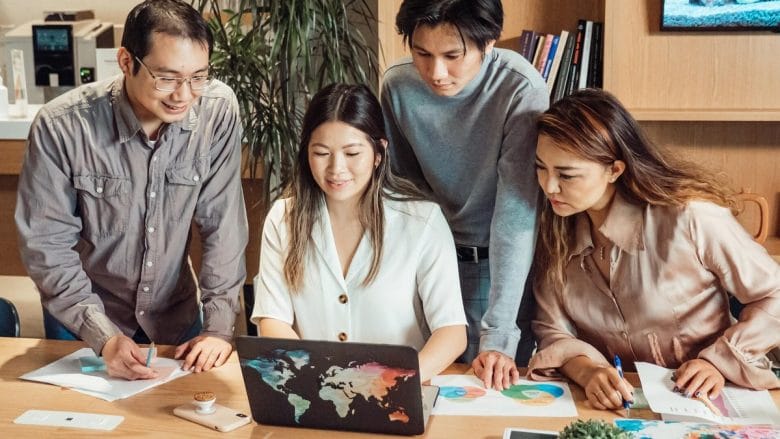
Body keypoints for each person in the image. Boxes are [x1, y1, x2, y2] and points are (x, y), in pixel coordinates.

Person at [15, 0, 248, 380]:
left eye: (198, 77)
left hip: (175, 316)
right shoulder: (62, 126)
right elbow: (47, 245)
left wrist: (219, 329)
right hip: (84, 318)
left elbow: (223, 225)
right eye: (167, 78)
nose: (184, 95)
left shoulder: (216, 111)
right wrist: (103, 336)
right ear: (126, 61)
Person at [528, 88, 780, 410]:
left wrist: (719, 361)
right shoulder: (555, 232)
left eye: (566, 174)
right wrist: (589, 371)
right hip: (619, 407)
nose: (549, 186)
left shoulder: (691, 217)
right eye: (541, 167)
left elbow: (774, 294)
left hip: (710, 398)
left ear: (614, 170)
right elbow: (551, 329)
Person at [381, 0, 549, 389]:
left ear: (488, 43)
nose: (436, 72)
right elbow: (404, 188)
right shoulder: (398, 86)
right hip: (430, 259)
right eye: (422, 54)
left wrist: (499, 335)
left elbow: (516, 213)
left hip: (500, 266)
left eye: (452, 56)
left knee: (495, 388)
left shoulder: (519, 87)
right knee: (421, 388)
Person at [251, 83, 467, 382]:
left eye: (352, 153)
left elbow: (451, 332)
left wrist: (398, 382)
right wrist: (316, 382)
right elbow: (272, 320)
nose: (336, 168)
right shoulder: (283, 218)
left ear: (379, 153)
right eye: (321, 153)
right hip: (312, 391)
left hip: (399, 393)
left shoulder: (422, 221)